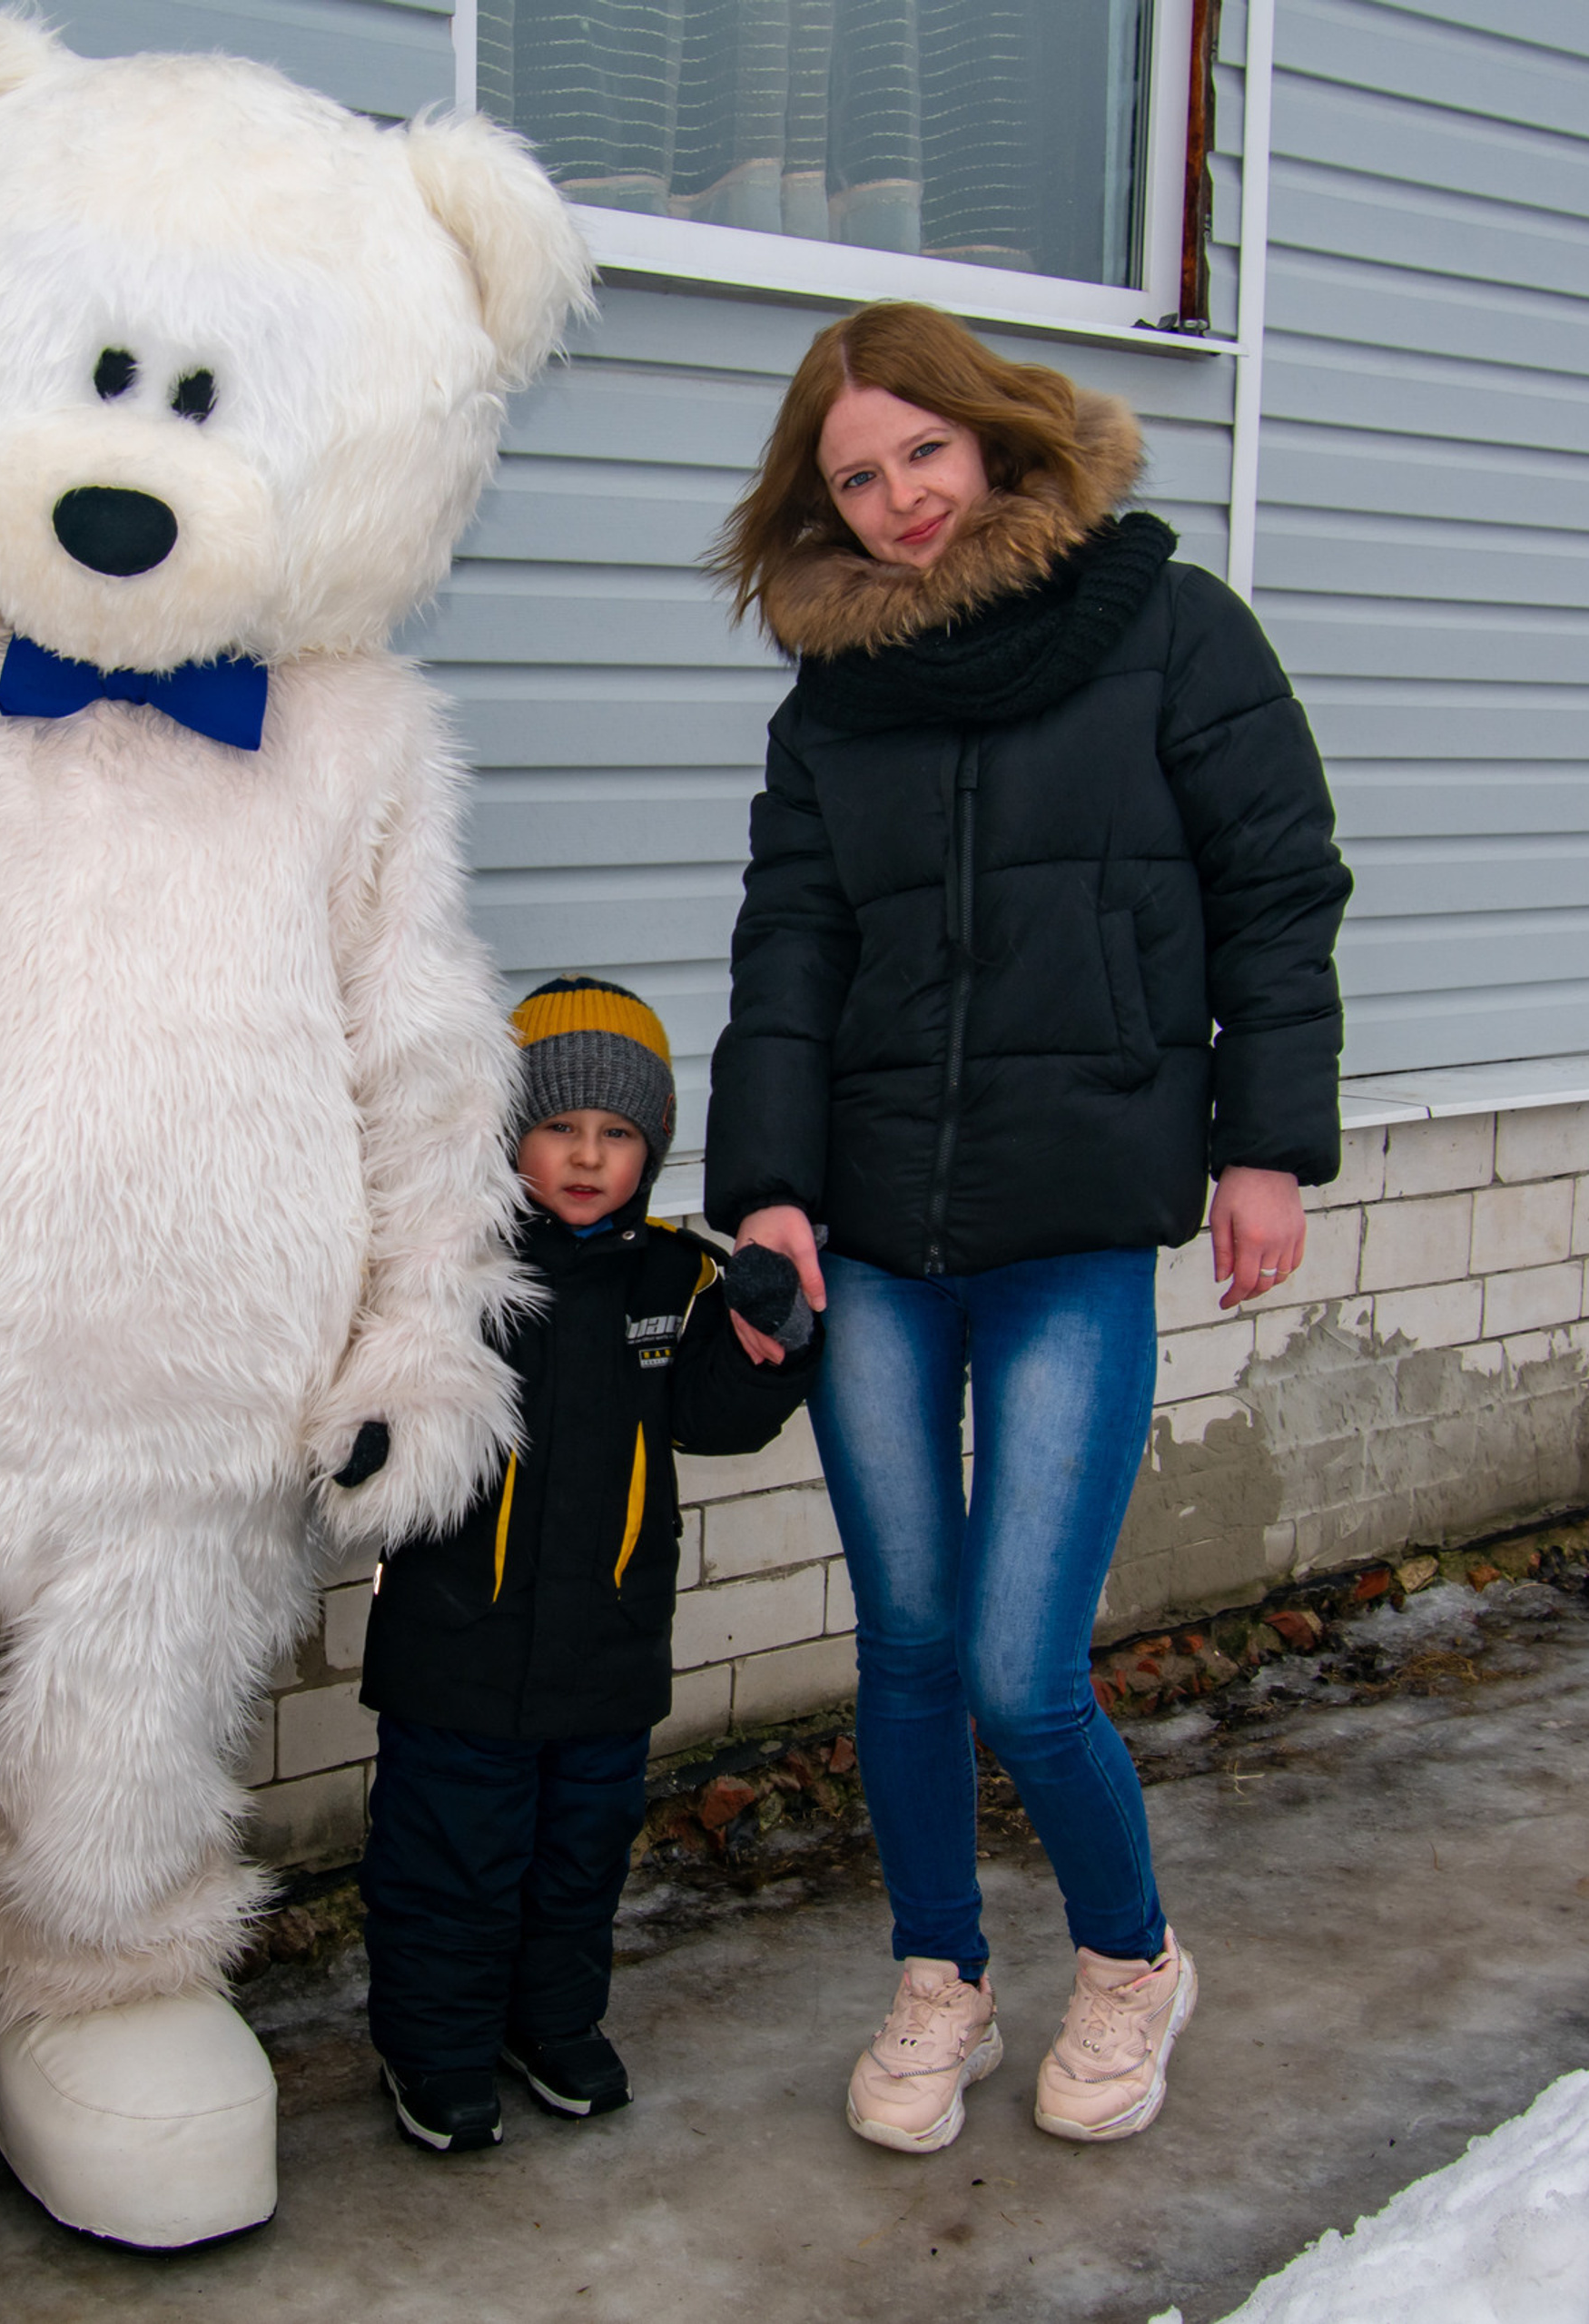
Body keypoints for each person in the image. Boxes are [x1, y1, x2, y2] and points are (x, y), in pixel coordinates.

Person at [703, 302, 1350, 2153]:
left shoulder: (1162, 623)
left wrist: (1261, 1146)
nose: (897, 498)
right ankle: (938, 1976)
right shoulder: (833, 699)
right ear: (814, 505)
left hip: (1074, 1213)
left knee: (1015, 1663)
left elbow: (1274, 881)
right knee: (904, 1645)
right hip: (876, 1231)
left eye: (920, 450)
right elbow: (791, 952)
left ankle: (1130, 1957)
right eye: (853, 475)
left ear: (989, 437)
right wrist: (762, 1182)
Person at [360, 977, 821, 2153]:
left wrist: (770, 1346)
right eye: (559, 1128)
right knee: (450, 1864)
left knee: (577, 1861)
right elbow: (367, 1392)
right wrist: (364, 1428)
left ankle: (553, 2026)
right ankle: (438, 2055)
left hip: (608, 1649)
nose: (585, 1157)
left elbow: (715, 1418)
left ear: (651, 1148)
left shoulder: (672, 1280)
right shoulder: (450, 1270)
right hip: (458, 1643)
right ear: (509, 1132)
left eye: (616, 1135)